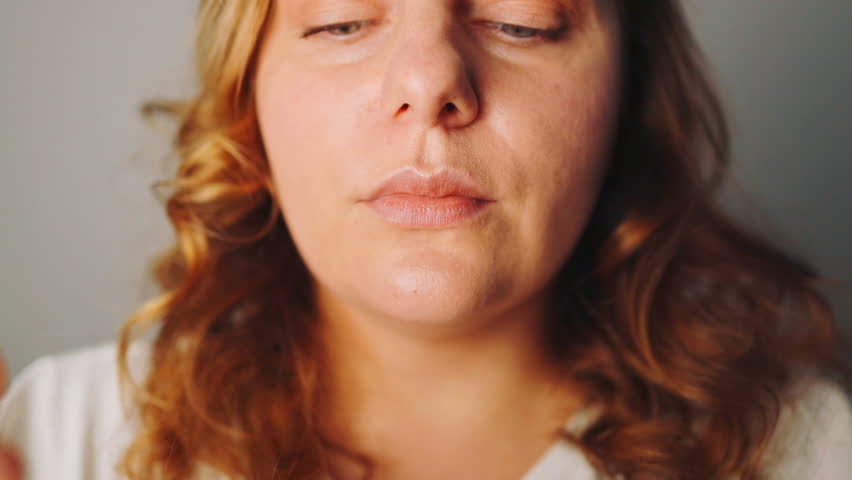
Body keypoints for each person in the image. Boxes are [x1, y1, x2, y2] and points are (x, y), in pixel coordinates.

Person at [1, 0, 851, 478]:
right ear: (248, 99)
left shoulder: (806, 453)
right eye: (341, 20)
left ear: (628, 94)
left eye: (521, 18)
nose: (430, 78)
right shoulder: (58, 442)